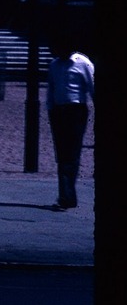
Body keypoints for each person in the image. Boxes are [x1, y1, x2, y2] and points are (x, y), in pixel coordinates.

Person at [45, 33, 95, 211]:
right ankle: (67, 195)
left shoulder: (83, 63)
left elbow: (92, 87)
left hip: (76, 111)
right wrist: (50, 108)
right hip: (59, 111)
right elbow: (51, 88)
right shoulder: (54, 65)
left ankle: (66, 196)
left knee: (71, 154)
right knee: (62, 154)